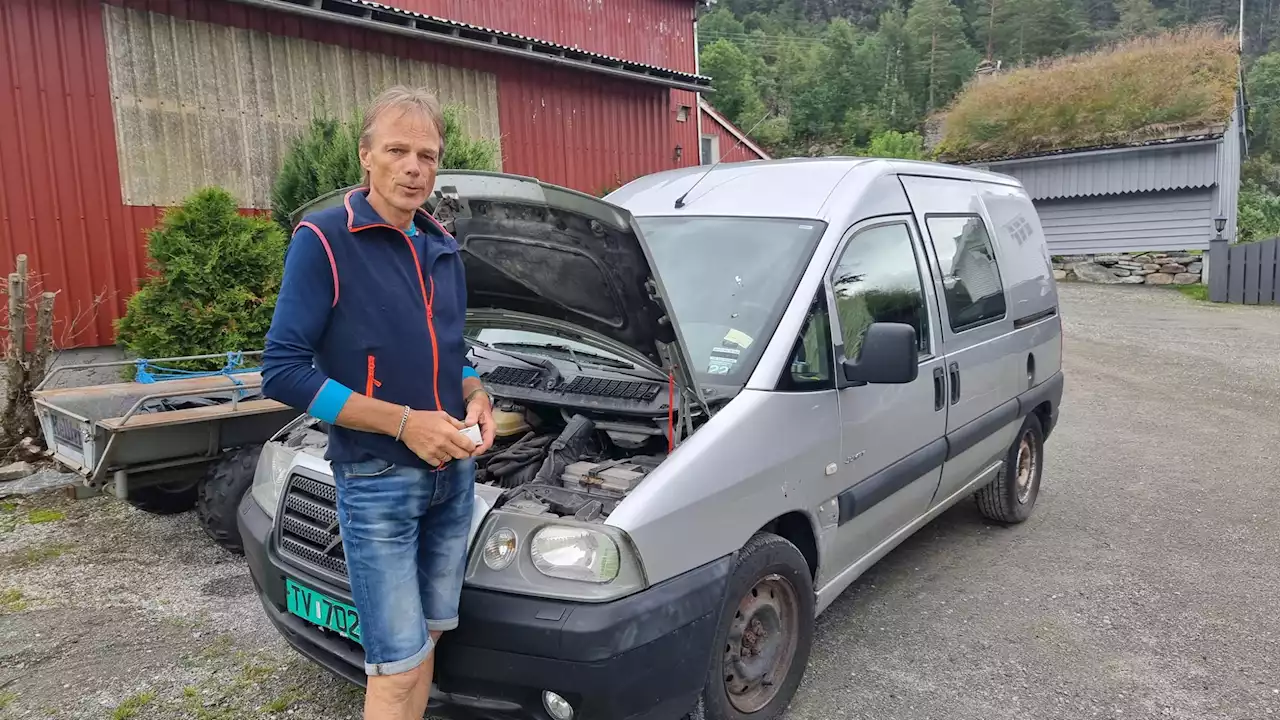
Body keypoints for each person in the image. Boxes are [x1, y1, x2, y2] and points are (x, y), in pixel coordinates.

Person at [261, 85, 496, 720]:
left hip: (455, 474)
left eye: (428, 153)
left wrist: (476, 393)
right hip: (377, 478)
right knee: (394, 666)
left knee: (429, 641)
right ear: (366, 156)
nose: (414, 167)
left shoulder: (441, 247)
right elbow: (282, 371)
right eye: (397, 150)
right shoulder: (325, 238)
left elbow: (450, 351)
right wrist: (402, 424)